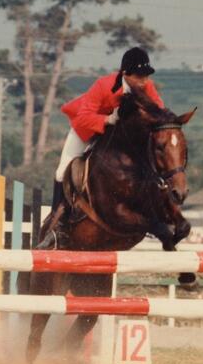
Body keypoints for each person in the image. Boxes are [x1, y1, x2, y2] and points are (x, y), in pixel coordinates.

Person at [48, 47, 164, 246]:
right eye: (139, 76)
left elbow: (159, 111)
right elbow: (84, 117)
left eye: (146, 76)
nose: (144, 81)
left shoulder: (147, 87)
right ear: (125, 74)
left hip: (118, 139)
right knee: (61, 171)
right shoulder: (104, 85)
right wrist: (109, 119)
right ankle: (57, 225)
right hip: (87, 130)